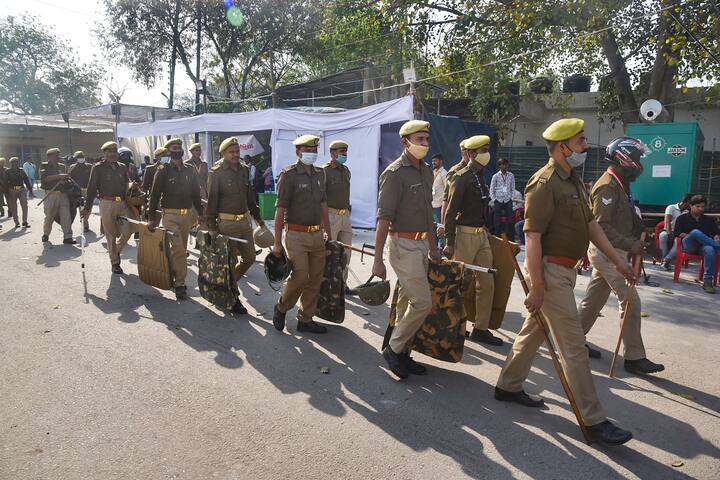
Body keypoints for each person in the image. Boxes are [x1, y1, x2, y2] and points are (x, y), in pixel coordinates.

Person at [495, 118, 637, 446]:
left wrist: (619, 261)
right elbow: (531, 237)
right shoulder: (544, 182)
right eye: (581, 141)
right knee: (574, 348)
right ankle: (595, 420)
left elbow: (591, 227)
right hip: (549, 273)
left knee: (532, 333)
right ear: (564, 147)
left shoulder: (572, 180)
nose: (586, 146)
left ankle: (508, 385)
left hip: (566, 272)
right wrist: (538, 286)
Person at [577, 137, 665, 375]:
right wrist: (633, 245)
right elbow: (602, 228)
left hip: (614, 250)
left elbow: (630, 218)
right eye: (637, 160)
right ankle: (634, 358)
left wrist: (648, 242)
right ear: (623, 159)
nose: (640, 165)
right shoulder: (607, 186)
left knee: (593, 301)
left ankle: (573, 341)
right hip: (607, 251)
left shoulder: (621, 184)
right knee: (631, 300)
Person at [373, 119, 440, 379]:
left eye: (426, 139)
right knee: (422, 302)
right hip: (403, 245)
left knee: (406, 303)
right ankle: (394, 348)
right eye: (419, 140)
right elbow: (383, 221)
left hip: (422, 244)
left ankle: (403, 354)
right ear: (405, 142)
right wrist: (378, 260)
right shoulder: (394, 173)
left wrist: (433, 247)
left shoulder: (425, 171)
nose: (425, 144)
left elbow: (427, 215)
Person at [443, 135, 503, 347]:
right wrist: (449, 241)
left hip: (481, 235)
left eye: (487, 149)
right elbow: (450, 212)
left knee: (487, 283)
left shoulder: (481, 175)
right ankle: (450, 327)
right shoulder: (461, 176)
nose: (486, 153)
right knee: (457, 283)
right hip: (464, 235)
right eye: (482, 150)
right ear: (471, 153)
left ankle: (480, 328)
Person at [271, 134, 332, 334]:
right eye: (307, 150)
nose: (312, 153)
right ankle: (282, 306)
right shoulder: (288, 175)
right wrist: (277, 243)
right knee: (300, 277)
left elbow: (323, 204)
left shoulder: (320, 173)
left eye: (314, 150)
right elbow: (280, 210)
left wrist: (328, 232)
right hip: (296, 235)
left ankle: (305, 318)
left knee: (315, 279)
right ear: (298, 152)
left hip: (317, 235)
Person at [206, 137, 267, 313]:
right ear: (223, 154)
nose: (235, 154)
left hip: (244, 223)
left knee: (250, 258)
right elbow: (211, 203)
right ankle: (233, 297)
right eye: (231, 152)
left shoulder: (244, 170)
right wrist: (212, 228)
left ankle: (226, 285)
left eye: (237, 151)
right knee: (230, 262)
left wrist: (259, 220)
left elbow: (250, 198)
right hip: (226, 224)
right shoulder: (216, 173)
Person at [147, 138, 204, 301]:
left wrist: (200, 213)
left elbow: (195, 194)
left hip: (187, 216)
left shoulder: (189, 169)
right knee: (179, 249)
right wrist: (151, 218)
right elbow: (155, 195)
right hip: (170, 215)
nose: (178, 150)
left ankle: (171, 271)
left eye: (179, 147)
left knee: (179, 249)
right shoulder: (163, 169)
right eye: (174, 147)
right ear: (169, 151)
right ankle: (180, 284)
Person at [81, 141, 135, 274]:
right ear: (104, 153)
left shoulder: (122, 167)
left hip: (123, 203)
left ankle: (115, 251)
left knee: (128, 231)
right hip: (107, 203)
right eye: (109, 151)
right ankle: (115, 262)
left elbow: (127, 183)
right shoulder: (98, 167)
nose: (112, 154)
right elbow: (92, 188)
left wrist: (133, 187)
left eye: (114, 151)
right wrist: (87, 207)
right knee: (110, 235)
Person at [673, 194, 720, 294]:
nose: (701, 209)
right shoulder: (682, 218)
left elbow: (716, 233)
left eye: (703, 206)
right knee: (695, 232)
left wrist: (716, 238)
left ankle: (707, 282)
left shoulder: (708, 220)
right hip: (688, 245)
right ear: (691, 206)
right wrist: (694, 236)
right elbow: (677, 233)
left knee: (710, 249)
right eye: (698, 206)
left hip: (702, 247)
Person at [322, 140, 353, 288]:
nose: (344, 154)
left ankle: (342, 284)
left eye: (345, 152)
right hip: (330, 215)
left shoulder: (346, 170)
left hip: (345, 216)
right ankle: (327, 284)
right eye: (341, 152)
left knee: (346, 253)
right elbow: (320, 198)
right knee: (329, 252)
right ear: (333, 153)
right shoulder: (324, 171)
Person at [40, 148, 75, 244]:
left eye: (58, 155)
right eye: (56, 155)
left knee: (66, 215)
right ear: (49, 156)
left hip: (62, 194)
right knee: (49, 216)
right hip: (51, 194)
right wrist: (59, 176)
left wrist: (67, 177)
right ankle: (46, 233)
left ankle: (68, 236)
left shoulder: (62, 166)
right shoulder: (45, 166)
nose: (58, 157)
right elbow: (45, 179)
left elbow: (67, 178)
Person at [437, 139, 469, 242]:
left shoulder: (476, 170)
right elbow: (446, 199)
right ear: (466, 153)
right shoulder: (455, 172)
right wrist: (442, 225)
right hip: (458, 224)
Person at [660, 193, 692, 269]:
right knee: (663, 236)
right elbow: (667, 222)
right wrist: (669, 233)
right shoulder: (671, 207)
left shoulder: (687, 212)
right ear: (687, 202)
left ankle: (666, 260)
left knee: (678, 241)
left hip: (678, 232)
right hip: (668, 230)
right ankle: (664, 260)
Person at [489, 157, 515, 239]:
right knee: (497, 220)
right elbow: (491, 189)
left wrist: (512, 198)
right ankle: (497, 236)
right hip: (498, 200)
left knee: (510, 220)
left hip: (508, 200)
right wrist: (494, 199)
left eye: (506, 164)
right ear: (500, 166)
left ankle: (510, 237)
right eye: (503, 165)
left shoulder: (511, 175)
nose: (505, 166)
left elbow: (513, 188)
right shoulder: (495, 176)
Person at [4, 157, 33, 228]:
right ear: (11, 163)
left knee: (24, 205)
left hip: (21, 189)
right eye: (13, 162)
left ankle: (25, 221)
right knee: (14, 207)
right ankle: (16, 222)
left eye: (16, 162)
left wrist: (31, 190)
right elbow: (5, 183)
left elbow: (26, 180)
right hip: (12, 190)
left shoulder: (21, 170)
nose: (15, 164)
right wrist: (6, 193)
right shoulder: (8, 171)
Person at [69, 151, 92, 232]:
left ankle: (84, 219)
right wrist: (75, 166)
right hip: (77, 190)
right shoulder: (73, 167)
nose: (81, 158)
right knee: (81, 207)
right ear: (76, 159)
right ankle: (85, 223)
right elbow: (69, 177)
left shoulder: (89, 166)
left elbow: (93, 178)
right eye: (79, 157)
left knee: (89, 207)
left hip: (88, 190)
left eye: (82, 157)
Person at [431, 153, 447, 223]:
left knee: (438, 227)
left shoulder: (444, 173)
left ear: (440, 161)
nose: (433, 163)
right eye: (432, 161)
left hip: (439, 206)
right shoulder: (433, 172)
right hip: (432, 204)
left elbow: (447, 189)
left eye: (435, 161)